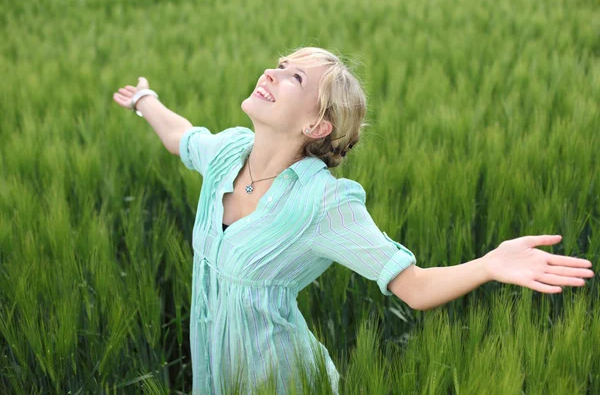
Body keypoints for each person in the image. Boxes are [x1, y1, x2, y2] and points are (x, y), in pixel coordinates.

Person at [113, 47, 595, 394]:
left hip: (279, 380)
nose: (271, 73)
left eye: (293, 78)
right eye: (280, 66)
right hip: (215, 371)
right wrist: (145, 101)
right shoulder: (228, 152)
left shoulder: (325, 203)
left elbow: (414, 286)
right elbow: (182, 137)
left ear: (316, 126)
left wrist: (490, 263)